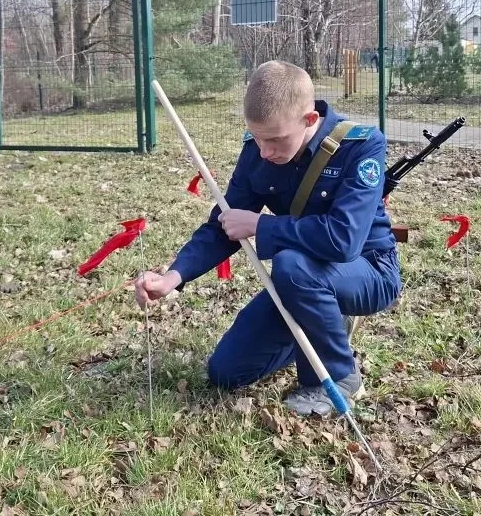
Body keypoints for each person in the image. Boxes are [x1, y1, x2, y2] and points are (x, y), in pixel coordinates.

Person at [134, 60, 401, 415]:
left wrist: (261, 226)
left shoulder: (360, 146)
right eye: (257, 137)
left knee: (291, 264)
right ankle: (323, 322)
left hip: (367, 271)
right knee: (227, 372)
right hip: (303, 280)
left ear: (309, 119)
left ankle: (339, 377)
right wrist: (173, 276)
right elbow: (224, 225)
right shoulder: (258, 151)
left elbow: (344, 240)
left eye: (275, 139)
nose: (264, 151)